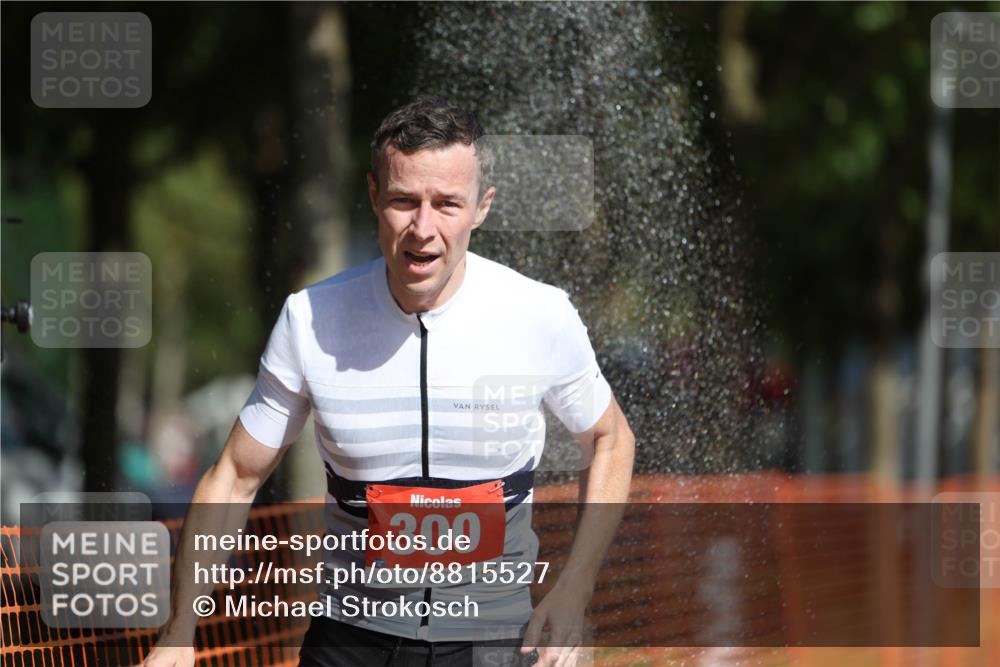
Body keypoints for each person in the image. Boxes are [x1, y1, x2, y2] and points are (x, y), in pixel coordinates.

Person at [143, 98, 635, 667]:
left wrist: (575, 587)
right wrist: (179, 633)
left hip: (493, 640)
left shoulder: (540, 314)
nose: (423, 230)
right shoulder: (311, 319)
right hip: (351, 639)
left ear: (482, 207)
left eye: (447, 204)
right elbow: (233, 477)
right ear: (375, 195)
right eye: (405, 201)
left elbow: (610, 438)